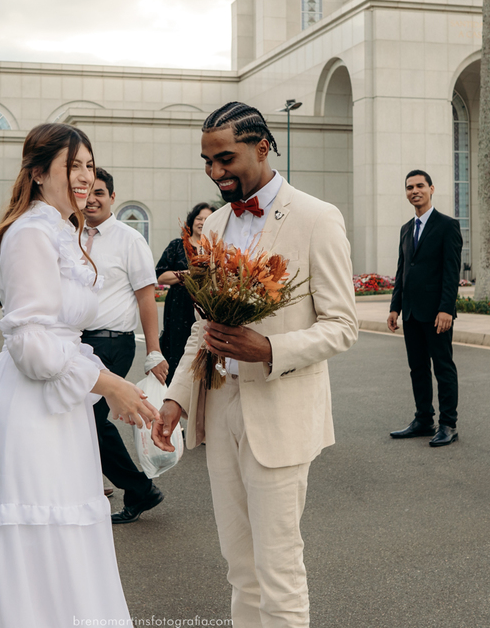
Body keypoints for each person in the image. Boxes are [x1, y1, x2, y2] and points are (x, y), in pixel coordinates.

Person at [153, 101, 358, 628]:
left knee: (279, 568)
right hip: (221, 414)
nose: (215, 172)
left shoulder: (317, 217)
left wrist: (269, 351)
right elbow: (205, 326)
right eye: (207, 162)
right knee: (239, 568)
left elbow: (342, 325)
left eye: (225, 158)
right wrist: (177, 397)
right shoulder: (216, 224)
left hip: (281, 416)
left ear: (262, 146)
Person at [0, 124, 158, 627]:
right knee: (37, 538)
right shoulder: (30, 233)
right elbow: (31, 344)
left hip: (59, 406)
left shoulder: (65, 232)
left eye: (90, 165)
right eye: (74, 165)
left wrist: (105, 382)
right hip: (28, 409)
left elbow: (59, 337)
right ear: (40, 173)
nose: (85, 176)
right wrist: (108, 383)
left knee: (65, 536)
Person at [81, 167, 169, 524]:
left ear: (112, 198)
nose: (91, 199)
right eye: (86, 193)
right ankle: (107, 486)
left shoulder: (129, 240)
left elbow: (147, 299)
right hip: (78, 343)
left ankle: (140, 489)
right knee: (82, 419)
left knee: (91, 417)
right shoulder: (70, 235)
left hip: (112, 342)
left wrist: (154, 351)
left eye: (99, 193)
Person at [387, 170, 464, 447]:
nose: (414, 191)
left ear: (432, 189)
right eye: (409, 187)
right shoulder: (406, 229)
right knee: (417, 368)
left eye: (420, 186)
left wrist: (446, 309)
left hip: (437, 314)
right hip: (410, 312)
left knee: (443, 367)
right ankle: (423, 419)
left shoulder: (447, 226)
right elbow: (402, 270)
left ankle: (448, 424)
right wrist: (395, 307)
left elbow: (451, 272)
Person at [155, 202, 214, 384]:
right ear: (192, 220)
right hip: (179, 307)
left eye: (208, 219)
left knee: (204, 350)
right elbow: (160, 275)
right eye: (199, 218)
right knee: (177, 350)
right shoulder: (177, 246)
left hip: (208, 306)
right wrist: (188, 274)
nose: (203, 222)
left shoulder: (215, 248)